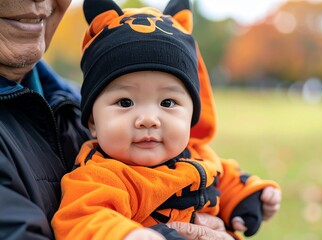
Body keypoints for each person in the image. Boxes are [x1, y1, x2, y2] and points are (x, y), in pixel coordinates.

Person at [0, 0, 256, 239]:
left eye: (168, 103)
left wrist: (249, 195)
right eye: (125, 103)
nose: (148, 119)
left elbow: (225, 175)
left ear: (191, 116)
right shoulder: (104, 175)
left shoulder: (196, 153)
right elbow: (81, 217)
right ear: (92, 124)